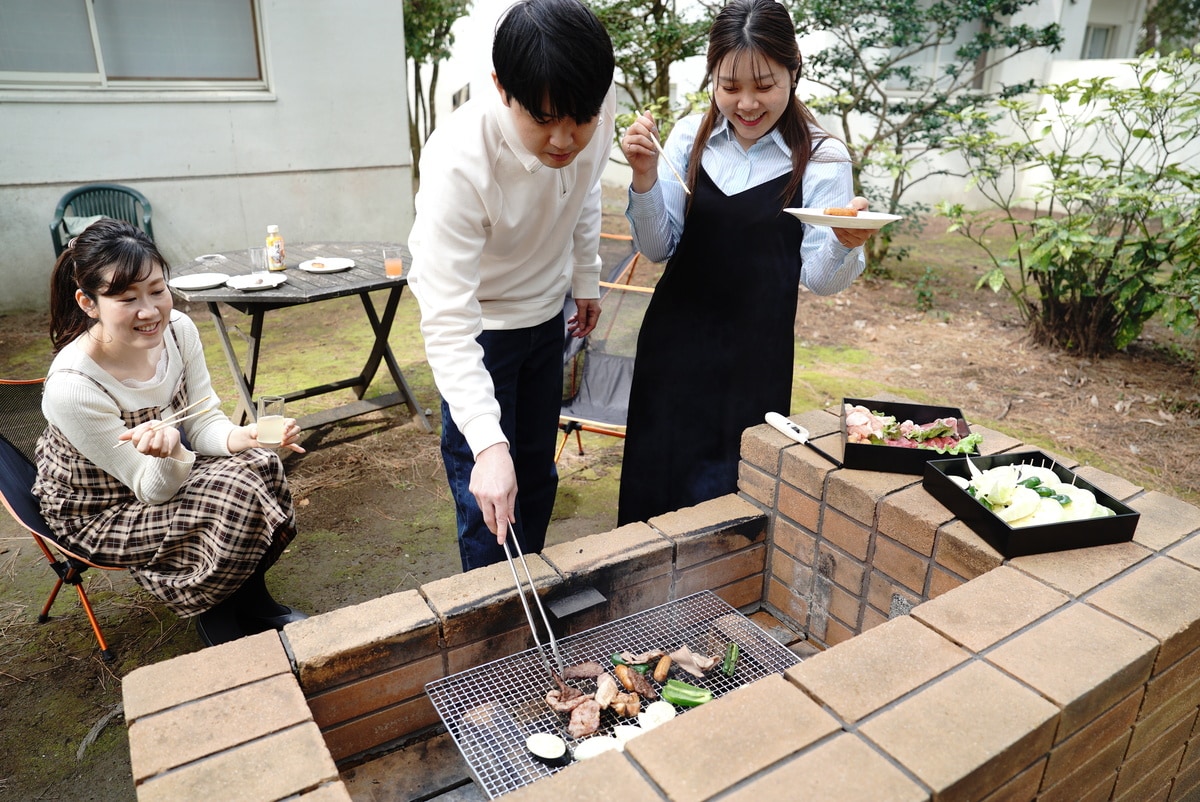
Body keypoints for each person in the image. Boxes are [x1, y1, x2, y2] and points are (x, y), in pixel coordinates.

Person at [616, 0, 875, 525]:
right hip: (673, 350)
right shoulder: (690, 136)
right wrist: (644, 176)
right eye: (730, 85)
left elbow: (819, 280)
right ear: (712, 77)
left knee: (731, 503)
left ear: (793, 71)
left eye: (764, 84)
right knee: (655, 487)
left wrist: (847, 240)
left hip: (755, 359)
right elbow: (658, 247)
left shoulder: (823, 156)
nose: (747, 102)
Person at [407, 0, 616, 571]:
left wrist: (586, 277)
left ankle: (533, 590)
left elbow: (588, 186)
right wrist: (486, 443)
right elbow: (447, 321)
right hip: (483, 328)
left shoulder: (592, 102)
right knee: (491, 488)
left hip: (547, 316)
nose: (565, 139)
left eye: (581, 119)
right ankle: (493, 626)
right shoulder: (457, 161)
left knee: (537, 474)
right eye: (545, 119)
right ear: (502, 88)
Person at [33, 218, 308, 647]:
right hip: (101, 508)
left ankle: (254, 601)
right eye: (126, 298)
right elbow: (148, 486)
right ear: (88, 303)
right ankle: (215, 614)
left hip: (164, 470)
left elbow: (202, 421)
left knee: (261, 464)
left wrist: (246, 437)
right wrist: (172, 451)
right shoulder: (74, 386)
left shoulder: (179, 331)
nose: (150, 311)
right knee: (232, 493)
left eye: (157, 291)